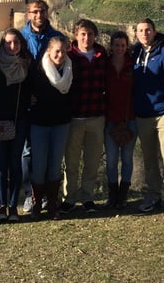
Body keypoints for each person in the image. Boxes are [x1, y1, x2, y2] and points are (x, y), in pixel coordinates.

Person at [132, 18, 164, 215]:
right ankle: (153, 195)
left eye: (148, 30)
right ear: (136, 33)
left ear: (154, 32)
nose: (144, 33)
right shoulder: (135, 52)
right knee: (149, 160)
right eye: (140, 30)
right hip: (143, 115)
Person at [20, 0, 65, 214]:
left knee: (51, 155)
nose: (39, 15)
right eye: (35, 12)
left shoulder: (57, 37)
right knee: (28, 152)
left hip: (52, 104)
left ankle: (49, 197)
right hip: (28, 102)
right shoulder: (21, 38)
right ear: (28, 14)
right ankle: (31, 194)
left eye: (42, 11)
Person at [60, 19, 108, 213]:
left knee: (92, 161)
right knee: (71, 162)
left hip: (96, 116)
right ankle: (69, 198)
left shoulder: (101, 55)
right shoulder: (69, 56)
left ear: (94, 35)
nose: (86, 38)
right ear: (75, 35)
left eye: (89, 34)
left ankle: (88, 198)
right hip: (75, 117)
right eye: (82, 34)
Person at [0, 28, 33, 223]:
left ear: (21, 43)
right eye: (8, 43)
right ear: (2, 44)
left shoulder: (27, 63)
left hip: (19, 120)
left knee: (15, 163)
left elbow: (34, 87)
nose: (13, 46)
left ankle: (13, 206)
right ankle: (1, 206)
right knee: (1, 165)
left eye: (16, 42)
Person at [29, 35, 73, 220]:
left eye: (63, 51)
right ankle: (37, 203)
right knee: (39, 166)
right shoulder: (38, 69)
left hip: (61, 124)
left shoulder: (70, 69)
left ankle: (52, 204)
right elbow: (28, 91)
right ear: (49, 51)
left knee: (55, 165)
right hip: (39, 124)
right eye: (57, 51)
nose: (60, 54)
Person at [104, 30, 137, 209]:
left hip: (129, 118)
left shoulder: (132, 65)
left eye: (123, 45)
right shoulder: (105, 65)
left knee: (127, 158)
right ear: (112, 46)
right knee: (110, 160)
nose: (119, 48)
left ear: (127, 47)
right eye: (116, 45)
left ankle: (123, 195)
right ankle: (112, 194)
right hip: (110, 119)